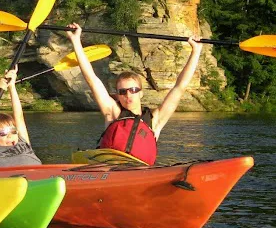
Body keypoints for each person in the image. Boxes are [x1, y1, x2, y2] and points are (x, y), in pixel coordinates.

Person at [65, 23, 203, 165]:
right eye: (123, 92)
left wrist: (196, 51)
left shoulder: (155, 120)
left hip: (139, 173)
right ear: (117, 95)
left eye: (133, 90)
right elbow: (92, 79)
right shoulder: (113, 113)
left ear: (141, 93)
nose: (128, 95)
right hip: (109, 171)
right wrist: (76, 41)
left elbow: (179, 87)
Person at [0, 67, 42, 167]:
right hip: (11, 181)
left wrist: (12, 87)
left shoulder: (23, 143)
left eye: (13, 132)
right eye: (3, 133)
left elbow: (19, 117)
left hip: (38, 177)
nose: (10, 136)